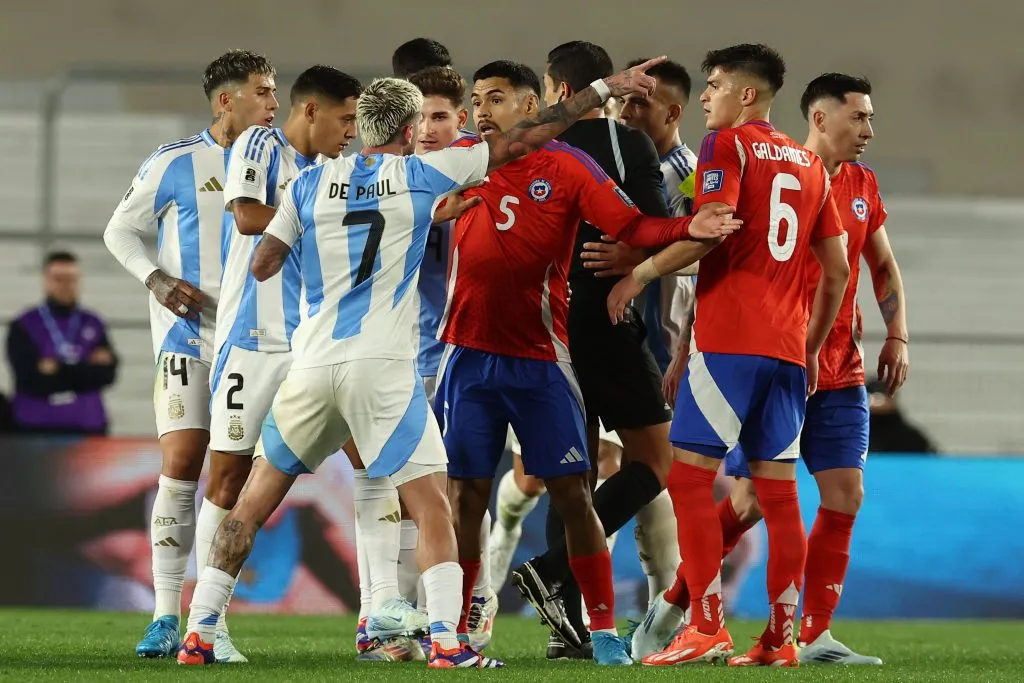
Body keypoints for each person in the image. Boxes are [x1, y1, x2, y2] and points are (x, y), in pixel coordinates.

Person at [177, 61, 679, 669]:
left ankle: (199, 630)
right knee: (435, 505)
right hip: (382, 368)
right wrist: (600, 91)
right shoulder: (420, 175)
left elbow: (263, 264)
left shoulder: (310, 182)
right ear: (410, 129)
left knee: (252, 503)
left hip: (311, 364)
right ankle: (447, 642)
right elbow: (523, 139)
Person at [437, 59, 739, 666]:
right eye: (476, 99)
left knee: (574, 493)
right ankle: (458, 622)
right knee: (465, 496)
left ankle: (599, 632)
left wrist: (690, 224)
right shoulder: (464, 157)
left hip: (541, 357)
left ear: (532, 105)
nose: (480, 111)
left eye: (496, 98)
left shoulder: (571, 166)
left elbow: (632, 224)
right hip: (466, 356)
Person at [609, 44, 850, 667]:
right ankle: (779, 641)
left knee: (688, 479)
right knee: (779, 496)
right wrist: (810, 347)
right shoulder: (811, 164)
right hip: (787, 351)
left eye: (714, 85)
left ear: (746, 94)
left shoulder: (727, 144)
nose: (707, 98)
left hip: (730, 342)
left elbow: (710, 229)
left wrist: (639, 274)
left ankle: (706, 627)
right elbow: (837, 271)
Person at [509, 41, 713, 660]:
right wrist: (638, 256)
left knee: (571, 474)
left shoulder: (532, 147)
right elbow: (656, 227)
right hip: (608, 316)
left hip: (548, 325)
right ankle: (553, 569)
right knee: (654, 460)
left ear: (558, 89)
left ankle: (565, 628)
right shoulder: (629, 147)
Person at [103, 49, 279, 660]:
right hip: (186, 336)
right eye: (262, 91)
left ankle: (211, 618)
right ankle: (162, 615)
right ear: (227, 100)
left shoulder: (279, 159)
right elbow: (119, 230)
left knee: (231, 480)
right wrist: (156, 279)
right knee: (181, 465)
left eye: (275, 91)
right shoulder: (175, 161)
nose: (273, 102)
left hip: (249, 339)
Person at [191, 65, 360, 660]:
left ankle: (378, 619)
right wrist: (328, 219)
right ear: (311, 111)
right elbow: (246, 215)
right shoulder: (261, 144)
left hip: (313, 344)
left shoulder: (335, 170)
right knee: (227, 480)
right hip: (253, 340)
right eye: (345, 119)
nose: (351, 132)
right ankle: (208, 625)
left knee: (369, 463)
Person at [7, 251, 117, 435]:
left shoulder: (93, 323)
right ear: (46, 281)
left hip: (89, 428)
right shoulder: (24, 324)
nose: (66, 285)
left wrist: (57, 368)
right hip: (34, 429)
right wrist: (85, 369)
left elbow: (106, 375)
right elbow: (28, 378)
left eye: (71, 279)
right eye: (59, 279)